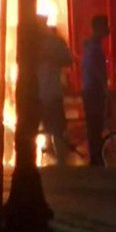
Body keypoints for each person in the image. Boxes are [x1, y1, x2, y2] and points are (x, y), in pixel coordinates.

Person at [37, 16, 73, 164]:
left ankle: (48, 152)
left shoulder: (29, 44)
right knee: (57, 128)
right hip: (51, 93)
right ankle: (61, 161)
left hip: (37, 95)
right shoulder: (54, 42)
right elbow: (68, 59)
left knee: (41, 128)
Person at [82, 15, 109, 166]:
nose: (108, 29)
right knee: (95, 124)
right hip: (94, 91)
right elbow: (94, 68)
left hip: (90, 90)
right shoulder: (94, 47)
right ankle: (96, 158)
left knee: (94, 125)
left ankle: (96, 157)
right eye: (105, 26)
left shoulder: (90, 45)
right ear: (99, 28)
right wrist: (104, 85)